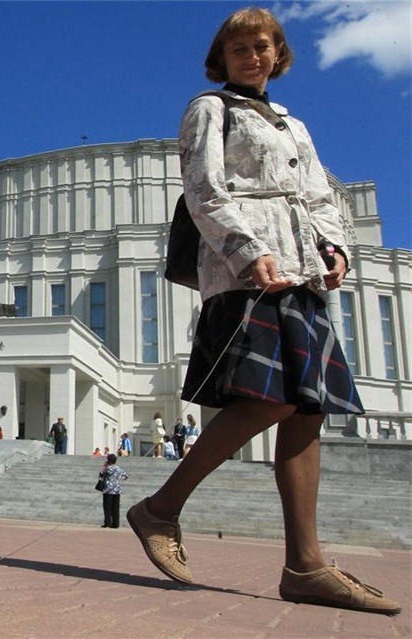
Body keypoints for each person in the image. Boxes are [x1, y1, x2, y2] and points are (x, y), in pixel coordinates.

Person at [125, 8, 399, 615]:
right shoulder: (209, 109)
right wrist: (248, 251)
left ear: (278, 55)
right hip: (247, 272)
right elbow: (202, 188)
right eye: (238, 48)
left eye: (262, 46)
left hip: (302, 271)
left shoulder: (295, 125)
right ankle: (159, 508)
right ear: (220, 58)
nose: (251, 56)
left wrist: (336, 249)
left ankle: (305, 565)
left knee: (306, 408)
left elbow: (321, 197)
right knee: (270, 397)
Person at [100, 454, 128, 528]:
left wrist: (104, 466)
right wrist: (118, 477)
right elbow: (125, 476)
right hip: (116, 489)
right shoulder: (118, 468)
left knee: (107, 507)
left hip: (108, 489)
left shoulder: (107, 468)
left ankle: (107, 522)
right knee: (115, 507)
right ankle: (115, 523)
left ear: (108, 460)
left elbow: (101, 474)